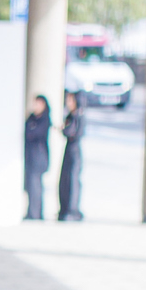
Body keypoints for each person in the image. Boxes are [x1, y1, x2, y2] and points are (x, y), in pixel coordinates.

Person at [24, 94, 54, 221]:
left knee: (36, 186)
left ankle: (35, 213)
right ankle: (33, 212)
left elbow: (33, 133)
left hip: (39, 158)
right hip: (31, 157)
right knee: (31, 186)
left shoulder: (44, 120)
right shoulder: (32, 118)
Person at [58, 91, 85, 221]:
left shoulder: (78, 116)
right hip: (69, 150)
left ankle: (72, 209)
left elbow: (71, 131)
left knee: (72, 180)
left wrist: (64, 129)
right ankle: (65, 208)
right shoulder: (71, 115)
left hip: (74, 151)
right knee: (65, 180)